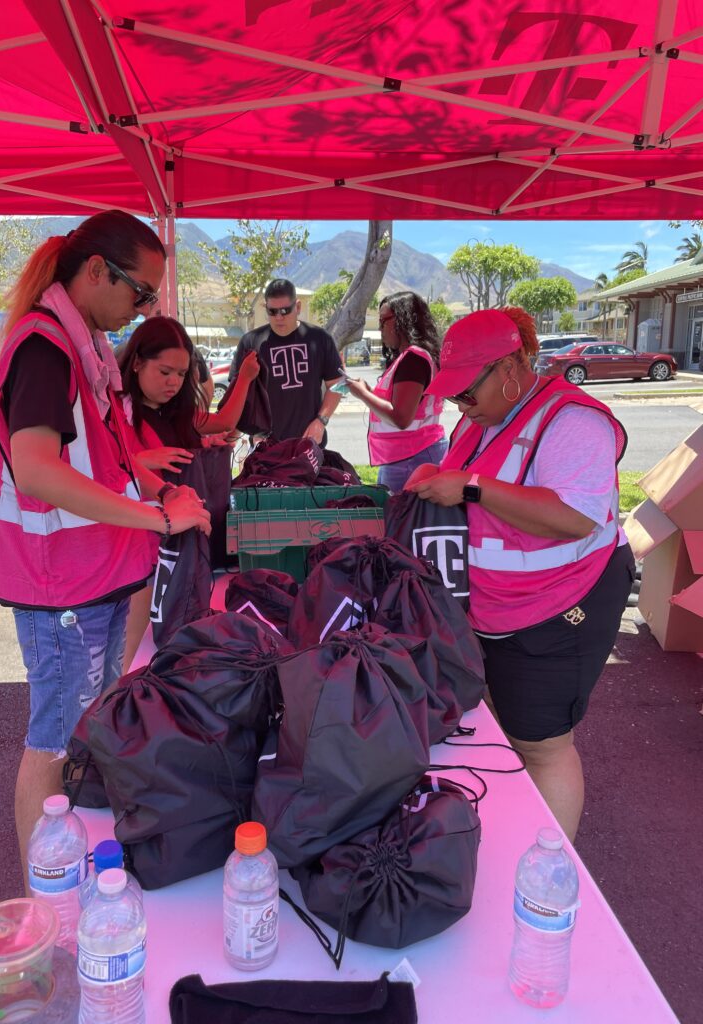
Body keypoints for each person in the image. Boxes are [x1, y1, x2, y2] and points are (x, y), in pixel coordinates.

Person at [0, 211, 211, 879]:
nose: (143, 310)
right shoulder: (45, 348)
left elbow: (94, 460)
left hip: (98, 578)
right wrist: (155, 518)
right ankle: (44, 897)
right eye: (140, 293)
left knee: (82, 729)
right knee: (52, 743)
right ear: (94, 272)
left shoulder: (83, 348)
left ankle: (70, 871)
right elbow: (36, 469)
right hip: (63, 588)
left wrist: (147, 482)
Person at [406, 307, 634, 842]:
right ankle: (521, 831)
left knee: (543, 743)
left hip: (562, 604)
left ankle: (550, 860)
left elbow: (575, 516)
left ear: (509, 367)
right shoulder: (483, 416)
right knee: (508, 723)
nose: (461, 405)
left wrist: (471, 488)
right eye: (454, 395)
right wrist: (436, 476)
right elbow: (467, 475)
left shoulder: (571, 421)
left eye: (467, 392)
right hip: (499, 606)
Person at [116, 316, 260, 666]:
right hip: (134, 545)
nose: (173, 382)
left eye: (181, 374)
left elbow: (223, 422)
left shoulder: (178, 413)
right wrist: (144, 460)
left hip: (177, 545)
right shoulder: (116, 411)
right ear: (137, 363)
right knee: (128, 648)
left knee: (166, 636)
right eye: (164, 371)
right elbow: (100, 465)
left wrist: (244, 379)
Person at [344, 291, 448, 492]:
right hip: (407, 455)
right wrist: (369, 391)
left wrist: (363, 394)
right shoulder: (411, 357)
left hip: (412, 456)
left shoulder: (413, 360)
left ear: (403, 320)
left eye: (384, 321)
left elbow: (401, 417)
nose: (380, 328)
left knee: (398, 511)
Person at [229, 278, 343, 445]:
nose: (279, 317)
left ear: (298, 307)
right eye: (272, 311)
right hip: (266, 446)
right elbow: (237, 393)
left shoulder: (320, 339)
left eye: (285, 310)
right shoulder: (250, 342)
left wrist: (321, 421)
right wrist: (251, 431)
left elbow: (339, 384)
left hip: (309, 444)